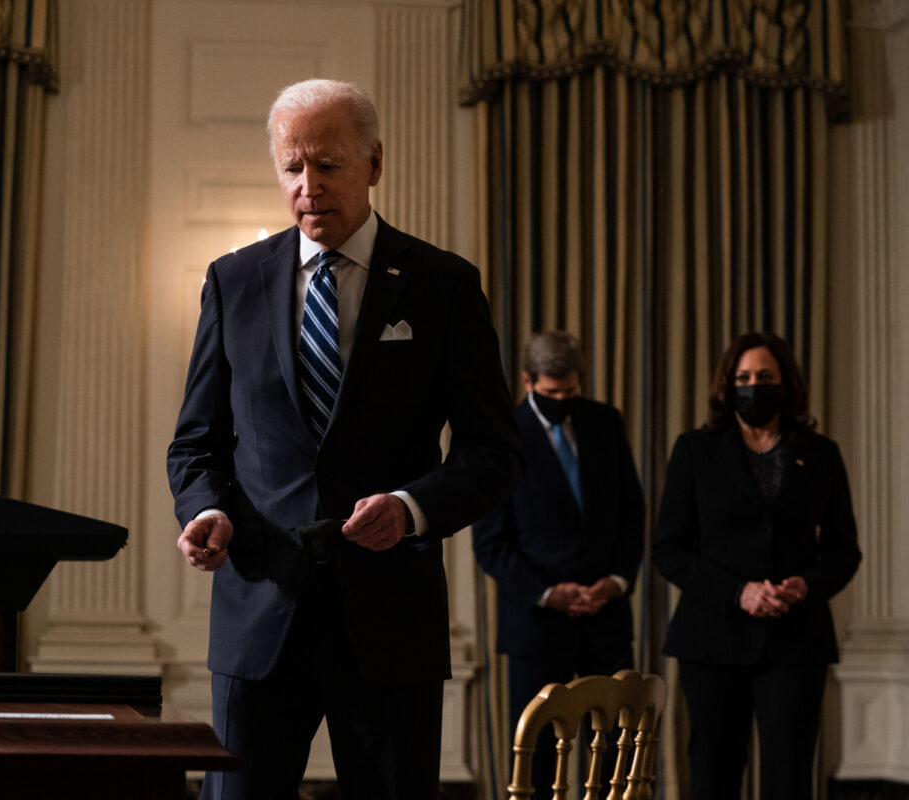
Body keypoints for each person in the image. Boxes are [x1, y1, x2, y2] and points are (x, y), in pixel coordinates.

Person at [166, 78, 524, 800]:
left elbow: (494, 453)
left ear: (375, 163)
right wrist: (204, 510)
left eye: (327, 165)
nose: (308, 187)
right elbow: (197, 443)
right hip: (260, 619)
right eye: (292, 168)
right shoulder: (232, 281)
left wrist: (412, 507)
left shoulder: (443, 286)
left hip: (390, 625)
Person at [653, 332, 862, 800]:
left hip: (795, 642)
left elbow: (844, 551)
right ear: (727, 386)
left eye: (764, 377)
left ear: (785, 384)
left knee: (789, 780)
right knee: (713, 776)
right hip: (711, 640)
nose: (753, 386)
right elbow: (668, 549)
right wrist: (737, 591)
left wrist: (806, 586)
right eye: (742, 377)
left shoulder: (822, 454)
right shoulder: (695, 450)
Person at [471, 331, 644, 795]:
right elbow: (490, 544)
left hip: (605, 619)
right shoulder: (502, 433)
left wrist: (617, 581)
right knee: (539, 758)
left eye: (571, 391)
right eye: (552, 393)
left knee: (615, 753)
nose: (563, 400)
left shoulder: (605, 423)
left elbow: (631, 514)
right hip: (537, 626)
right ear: (528, 381)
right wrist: (549, 593)